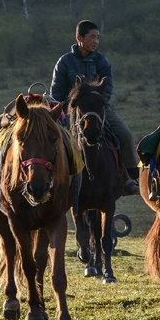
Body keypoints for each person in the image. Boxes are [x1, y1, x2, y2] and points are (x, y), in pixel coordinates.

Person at [50, 20, 140, 195]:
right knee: (53, 140)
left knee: (125, 135)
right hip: (71, 112)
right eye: (92, 37)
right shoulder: (64, 62)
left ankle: (129, 178)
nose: (96, 41)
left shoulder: (101, 60)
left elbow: (108, 88)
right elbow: (57, 93)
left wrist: (95, 103)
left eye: (98, 38)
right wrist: (68, 110)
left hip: (99, 110)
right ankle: (51, 179)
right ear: (79, 38)